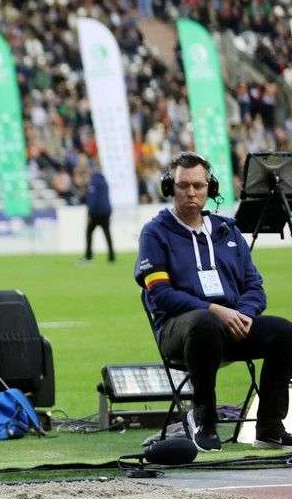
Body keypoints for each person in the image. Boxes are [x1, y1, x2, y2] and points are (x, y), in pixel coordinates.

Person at [135, 152, 292, 452]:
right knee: (204, 323)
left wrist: (243, 313)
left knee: (284, 332)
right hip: (180, 331)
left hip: (232, 327)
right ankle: (203, 418)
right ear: (171, 188)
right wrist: (215, 310)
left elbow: (255, 287)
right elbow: (160, 294)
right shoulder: (154, 233)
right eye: (183, 186)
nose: (191, 192)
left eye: (198, 185)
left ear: (211, 189)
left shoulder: (227, 230)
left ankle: (270, 425)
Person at [83, 162, 115, 263]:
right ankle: (111, 256)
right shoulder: (104, 181)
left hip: (96, 213)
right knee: (107, 233)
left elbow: (92, 199)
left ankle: (88, 256)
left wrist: (89, 213)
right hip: (106, 211)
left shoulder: (93, 182)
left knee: (89, 232)